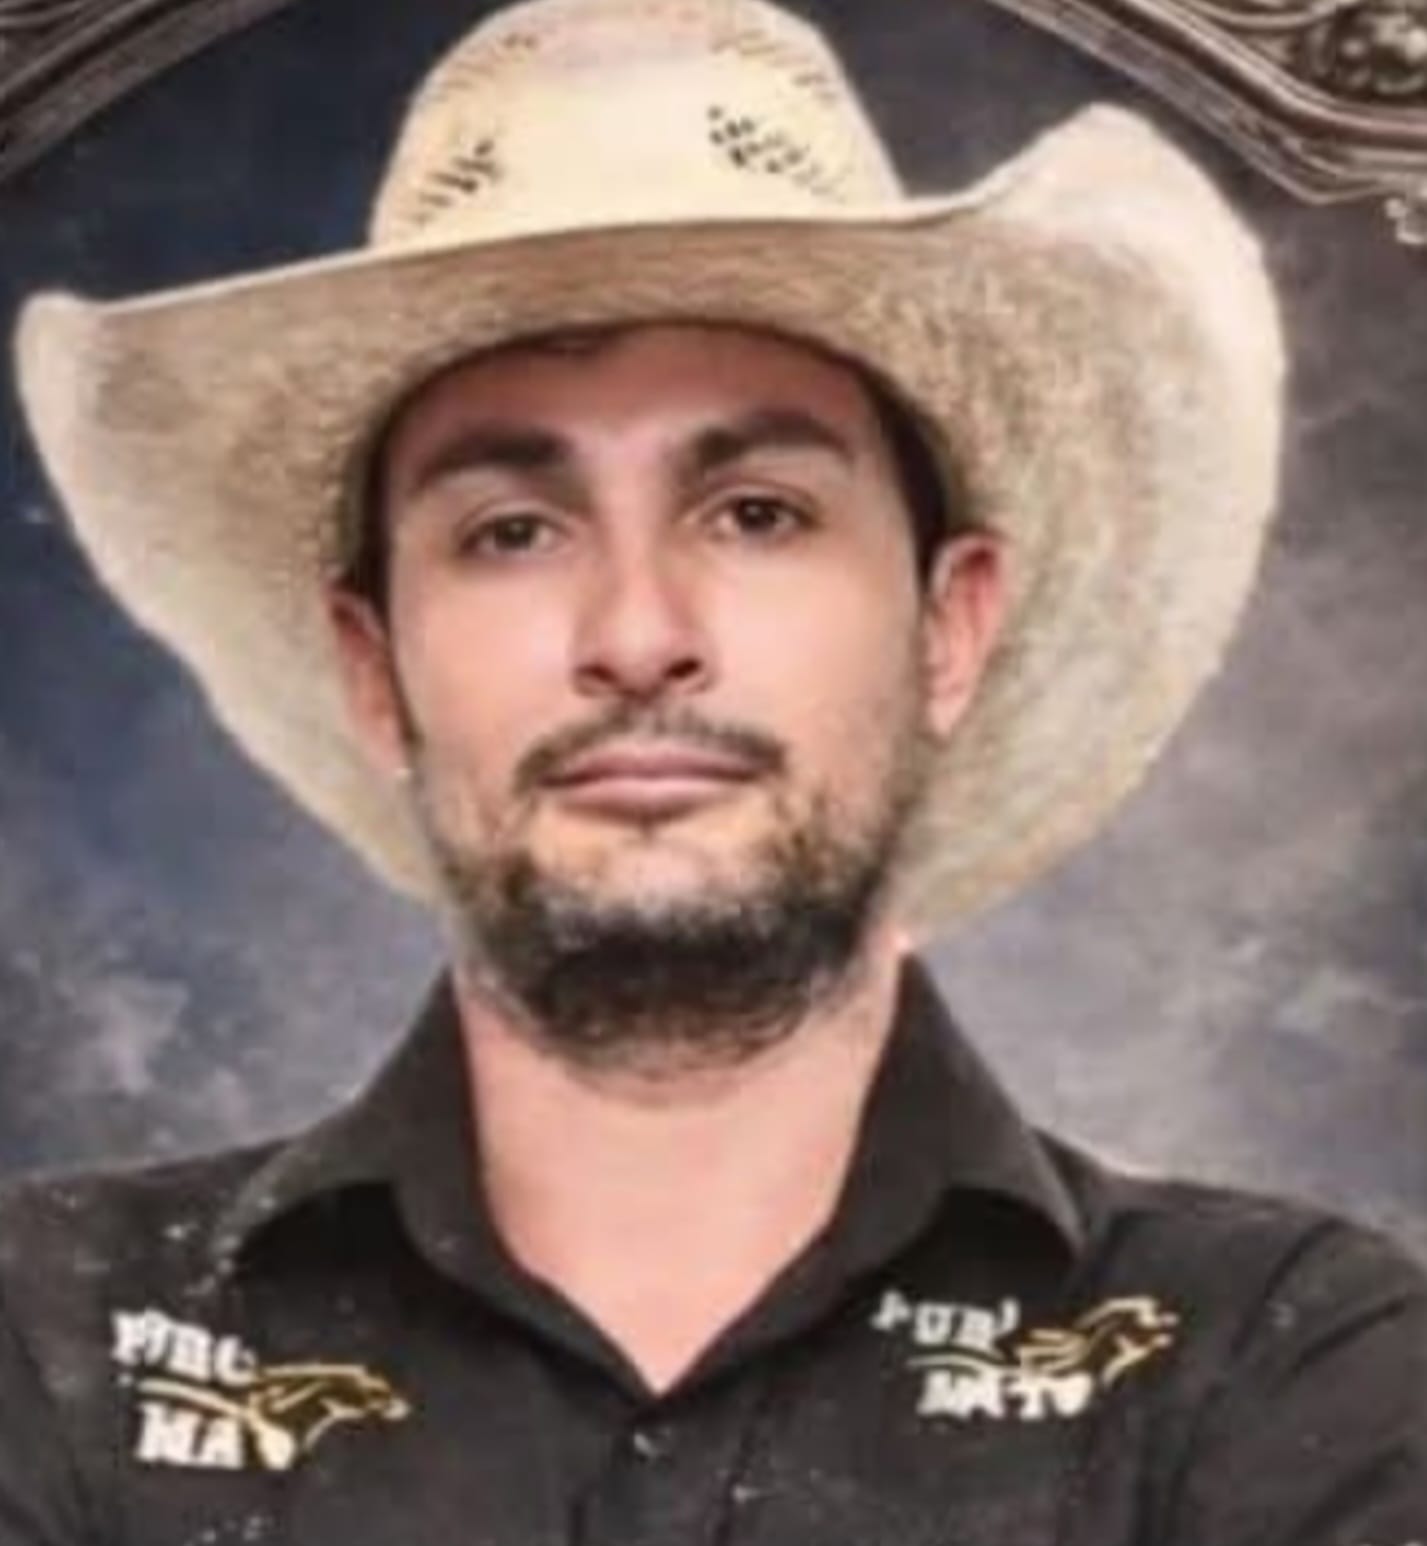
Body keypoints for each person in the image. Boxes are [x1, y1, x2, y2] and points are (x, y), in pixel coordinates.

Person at [4, 0, 1423, 1541]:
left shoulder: (1278, 1367)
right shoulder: (47, 1345)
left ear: (948, 628)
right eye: (511, 531)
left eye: (757, 513)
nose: (637, 635)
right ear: (372, 666)